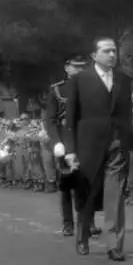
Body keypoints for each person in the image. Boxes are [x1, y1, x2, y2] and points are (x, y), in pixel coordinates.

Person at [64, 38, 133, 260]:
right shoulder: (80, 80)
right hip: (89, 146)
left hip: (117, 145)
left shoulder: (123, 79)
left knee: (114, 197)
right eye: (107, 51)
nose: (112, 55)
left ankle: (114, 244)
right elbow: (71, 117)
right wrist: (71, 150)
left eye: (114, 51)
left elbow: (127, 114)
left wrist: (129, 142)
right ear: (94, 55)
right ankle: (83, 234)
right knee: (88, 194)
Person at [44, 55, 89, 237]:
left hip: (86, 140)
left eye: (83, 67)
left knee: (88, 183)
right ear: (67, 68)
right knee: (67, 184)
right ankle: (68, 222)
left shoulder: (93, 87)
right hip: (65, 140)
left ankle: (88, 222)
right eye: (75, 66)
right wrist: (56, 141)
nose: (79, 70)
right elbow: (51, 119)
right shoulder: (58, 90)